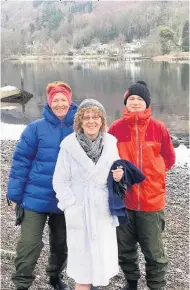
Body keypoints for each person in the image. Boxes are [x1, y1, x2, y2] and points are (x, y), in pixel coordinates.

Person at [7, 81, 78, 290]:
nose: (59, 104)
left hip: (64, 199)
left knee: (61, 244)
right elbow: (21, 163)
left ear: (70, 101)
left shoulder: (80, 129)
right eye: (55, 100)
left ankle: (55, 277)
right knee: (29, 244)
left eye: (63, 99)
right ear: (49, 103)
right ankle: (22, 283)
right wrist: (14, 196)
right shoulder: (34, 129)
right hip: (34, 197)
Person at [108, 81, 176, 290]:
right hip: (124, 201)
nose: (135, 103)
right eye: (131, 99)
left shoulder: (158, 128)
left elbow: (169, 159)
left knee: (154, 252)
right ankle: (132, 282)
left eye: (139, 99)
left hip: (151, 202)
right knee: (125, 248)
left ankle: (156, 285)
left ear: (146, 103)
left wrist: (154, 177)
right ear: (126, 103)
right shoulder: (116, 128)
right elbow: (108, 159)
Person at [53, 99, 124, 290]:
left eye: (96, 117)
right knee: (82, 266)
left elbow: (116, 174)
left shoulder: (111, 144)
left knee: (102, 262)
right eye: (86, 117)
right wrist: (71, 205)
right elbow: (59, 181)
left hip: (102, 210)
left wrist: (118, 177)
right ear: (79, 121)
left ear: (102, 120)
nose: (91, 121)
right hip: (79, 209)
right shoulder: (68, 146)